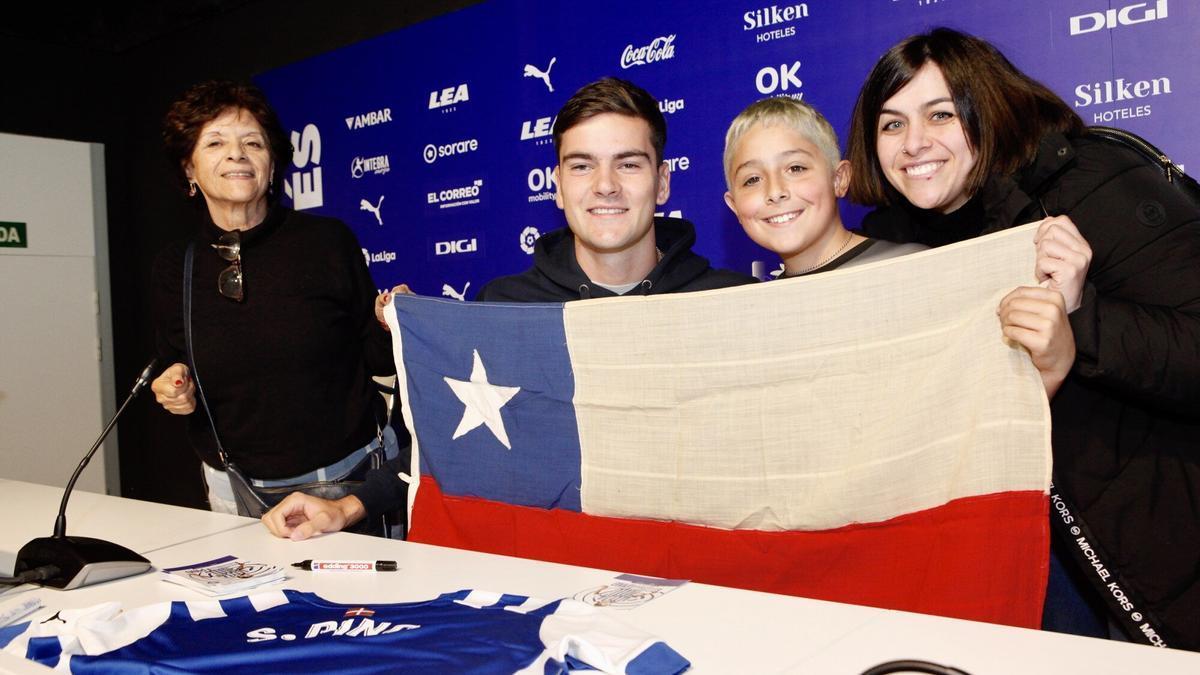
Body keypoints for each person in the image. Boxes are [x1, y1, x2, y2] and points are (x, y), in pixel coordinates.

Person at [262, 76, 756, 539]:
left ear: (663, 182)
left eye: (628, 163)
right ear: (557, 185)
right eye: (582, 165)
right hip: (560, 580)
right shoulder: (503, 309)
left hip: (700, 580)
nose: (605, 184)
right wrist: (349, 506)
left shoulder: (733, 304)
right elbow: (442, 446)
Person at [846, 28, 1200, 649]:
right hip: (1050, 559)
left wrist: (1083, 314)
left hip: (1169, 534)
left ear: (988, 109)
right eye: (891, 124)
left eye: (941, 114)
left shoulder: (1092, 180)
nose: (914, 144)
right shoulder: (898, 245)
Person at [150, 81, 398, 517]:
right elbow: (175, 362)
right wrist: (174, 387)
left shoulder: (327, 242)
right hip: (234, 491)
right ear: (189, 169)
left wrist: (385, 322)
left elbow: (378, 360)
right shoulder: (177, 265)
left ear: (272, 163)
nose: (237, 154)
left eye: (252, 142)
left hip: (347, 482)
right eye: (215, 142)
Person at [722, 97, 924, 277]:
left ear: (839, 179)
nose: (775, 192)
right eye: (753, 180)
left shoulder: (910, 268)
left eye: (795, 168)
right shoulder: (756, 308)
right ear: (735, 206)